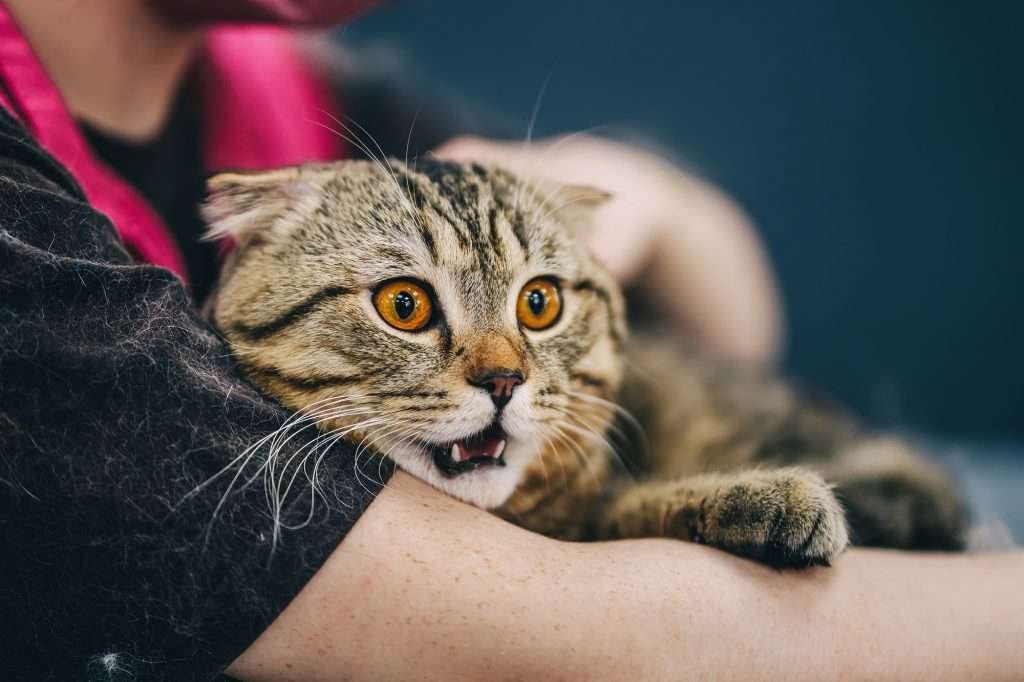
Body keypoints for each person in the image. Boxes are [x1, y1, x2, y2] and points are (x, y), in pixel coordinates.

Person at [0, 1, 1020, 680]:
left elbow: (737, 325)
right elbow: (579, 637)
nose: (500, 368)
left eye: (526, 321)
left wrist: (650, 201)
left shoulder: (293, 90)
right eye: (406, 305)